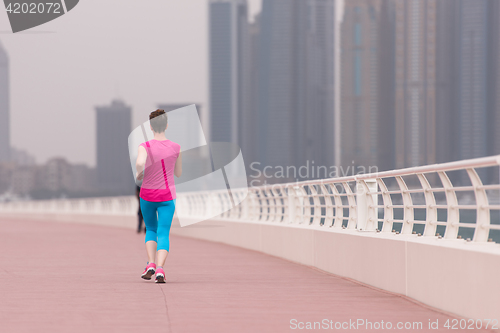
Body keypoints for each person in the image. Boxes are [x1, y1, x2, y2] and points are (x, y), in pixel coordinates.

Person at [135, 109, 182, 283]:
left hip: (147, 194)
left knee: (151, 229)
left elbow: (140, 162)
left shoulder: (144, 146)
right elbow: (178, 173)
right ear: (166, 125)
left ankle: (151, 264)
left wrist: (141, 171)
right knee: (163, 232)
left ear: (151, 127)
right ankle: (160, 269)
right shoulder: (176, 147)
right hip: (167, 196)